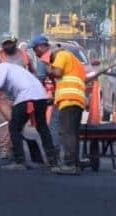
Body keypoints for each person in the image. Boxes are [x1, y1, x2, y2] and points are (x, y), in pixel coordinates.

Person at [0, 59, 57, 171]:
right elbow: (6, 90)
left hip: (26, 96)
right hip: (41, 96)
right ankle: (53, 160)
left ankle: (19, 161)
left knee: (14, 127)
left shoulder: (0, 68)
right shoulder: (13, 68)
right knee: (42, 127)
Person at [32, 35, 87, 175]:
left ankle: (69, 165)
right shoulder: (75, 61)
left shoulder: (61, 55)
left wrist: (49, 68)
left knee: (66, 132)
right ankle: (74, 163)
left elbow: (58, 72)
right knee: (72, 133)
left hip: (68, 99)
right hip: (76, 99)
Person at [31, 35, 60, 154]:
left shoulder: (45, 58)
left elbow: (39, 81)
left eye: (34, 49)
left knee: (54, 124)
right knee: (68, 127)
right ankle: (71, 157)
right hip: (73, 92)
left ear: (41, 47)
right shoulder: (60, 53)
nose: (34, 52)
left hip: (64, 94)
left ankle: (55, 153)